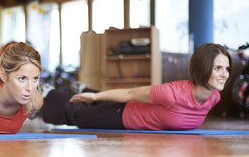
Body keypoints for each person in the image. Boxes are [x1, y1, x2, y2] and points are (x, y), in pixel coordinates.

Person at [41, 43, 231, 130]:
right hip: (125, 116)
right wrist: (96, 98)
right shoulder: (171, 94)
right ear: (203, 68)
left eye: (227, 69)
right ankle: (47, 95)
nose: (225, 74)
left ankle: (85, 90)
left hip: (130, 112)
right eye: (218, 68)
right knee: (78, 117)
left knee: (91, 102)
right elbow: (130, 93)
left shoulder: (214, 97)